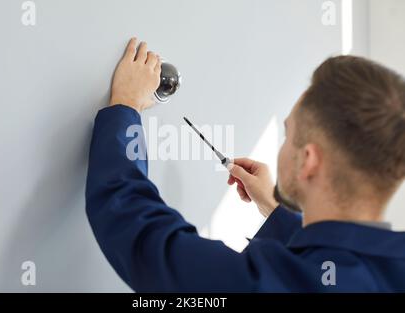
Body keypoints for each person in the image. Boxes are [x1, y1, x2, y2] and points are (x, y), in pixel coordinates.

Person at [85, 37, 405, 292]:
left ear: (308, 161)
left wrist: (125, 106)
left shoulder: (266, 282)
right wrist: (276, 211)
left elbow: (142, 236)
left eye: (288, 133)